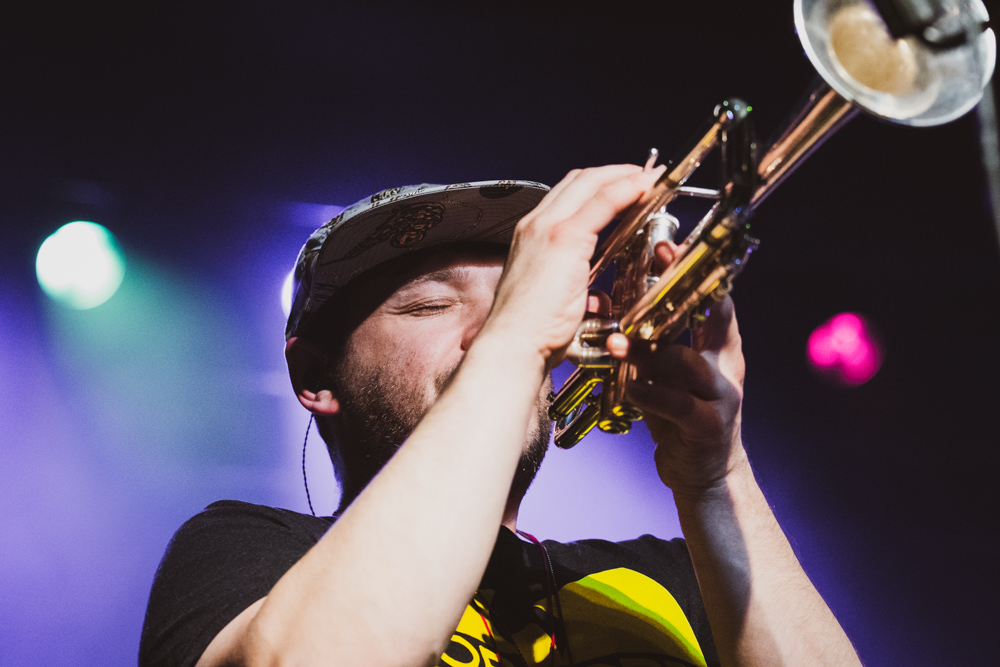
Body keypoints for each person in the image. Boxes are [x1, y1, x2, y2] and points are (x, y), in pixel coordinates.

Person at [139, 166, 862, 667]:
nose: (493, 329)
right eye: (431, 304)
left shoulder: (665, 579)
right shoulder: (246, 553)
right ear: (316, 376)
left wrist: (716, 476)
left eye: (513, 301)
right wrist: (512, 336)